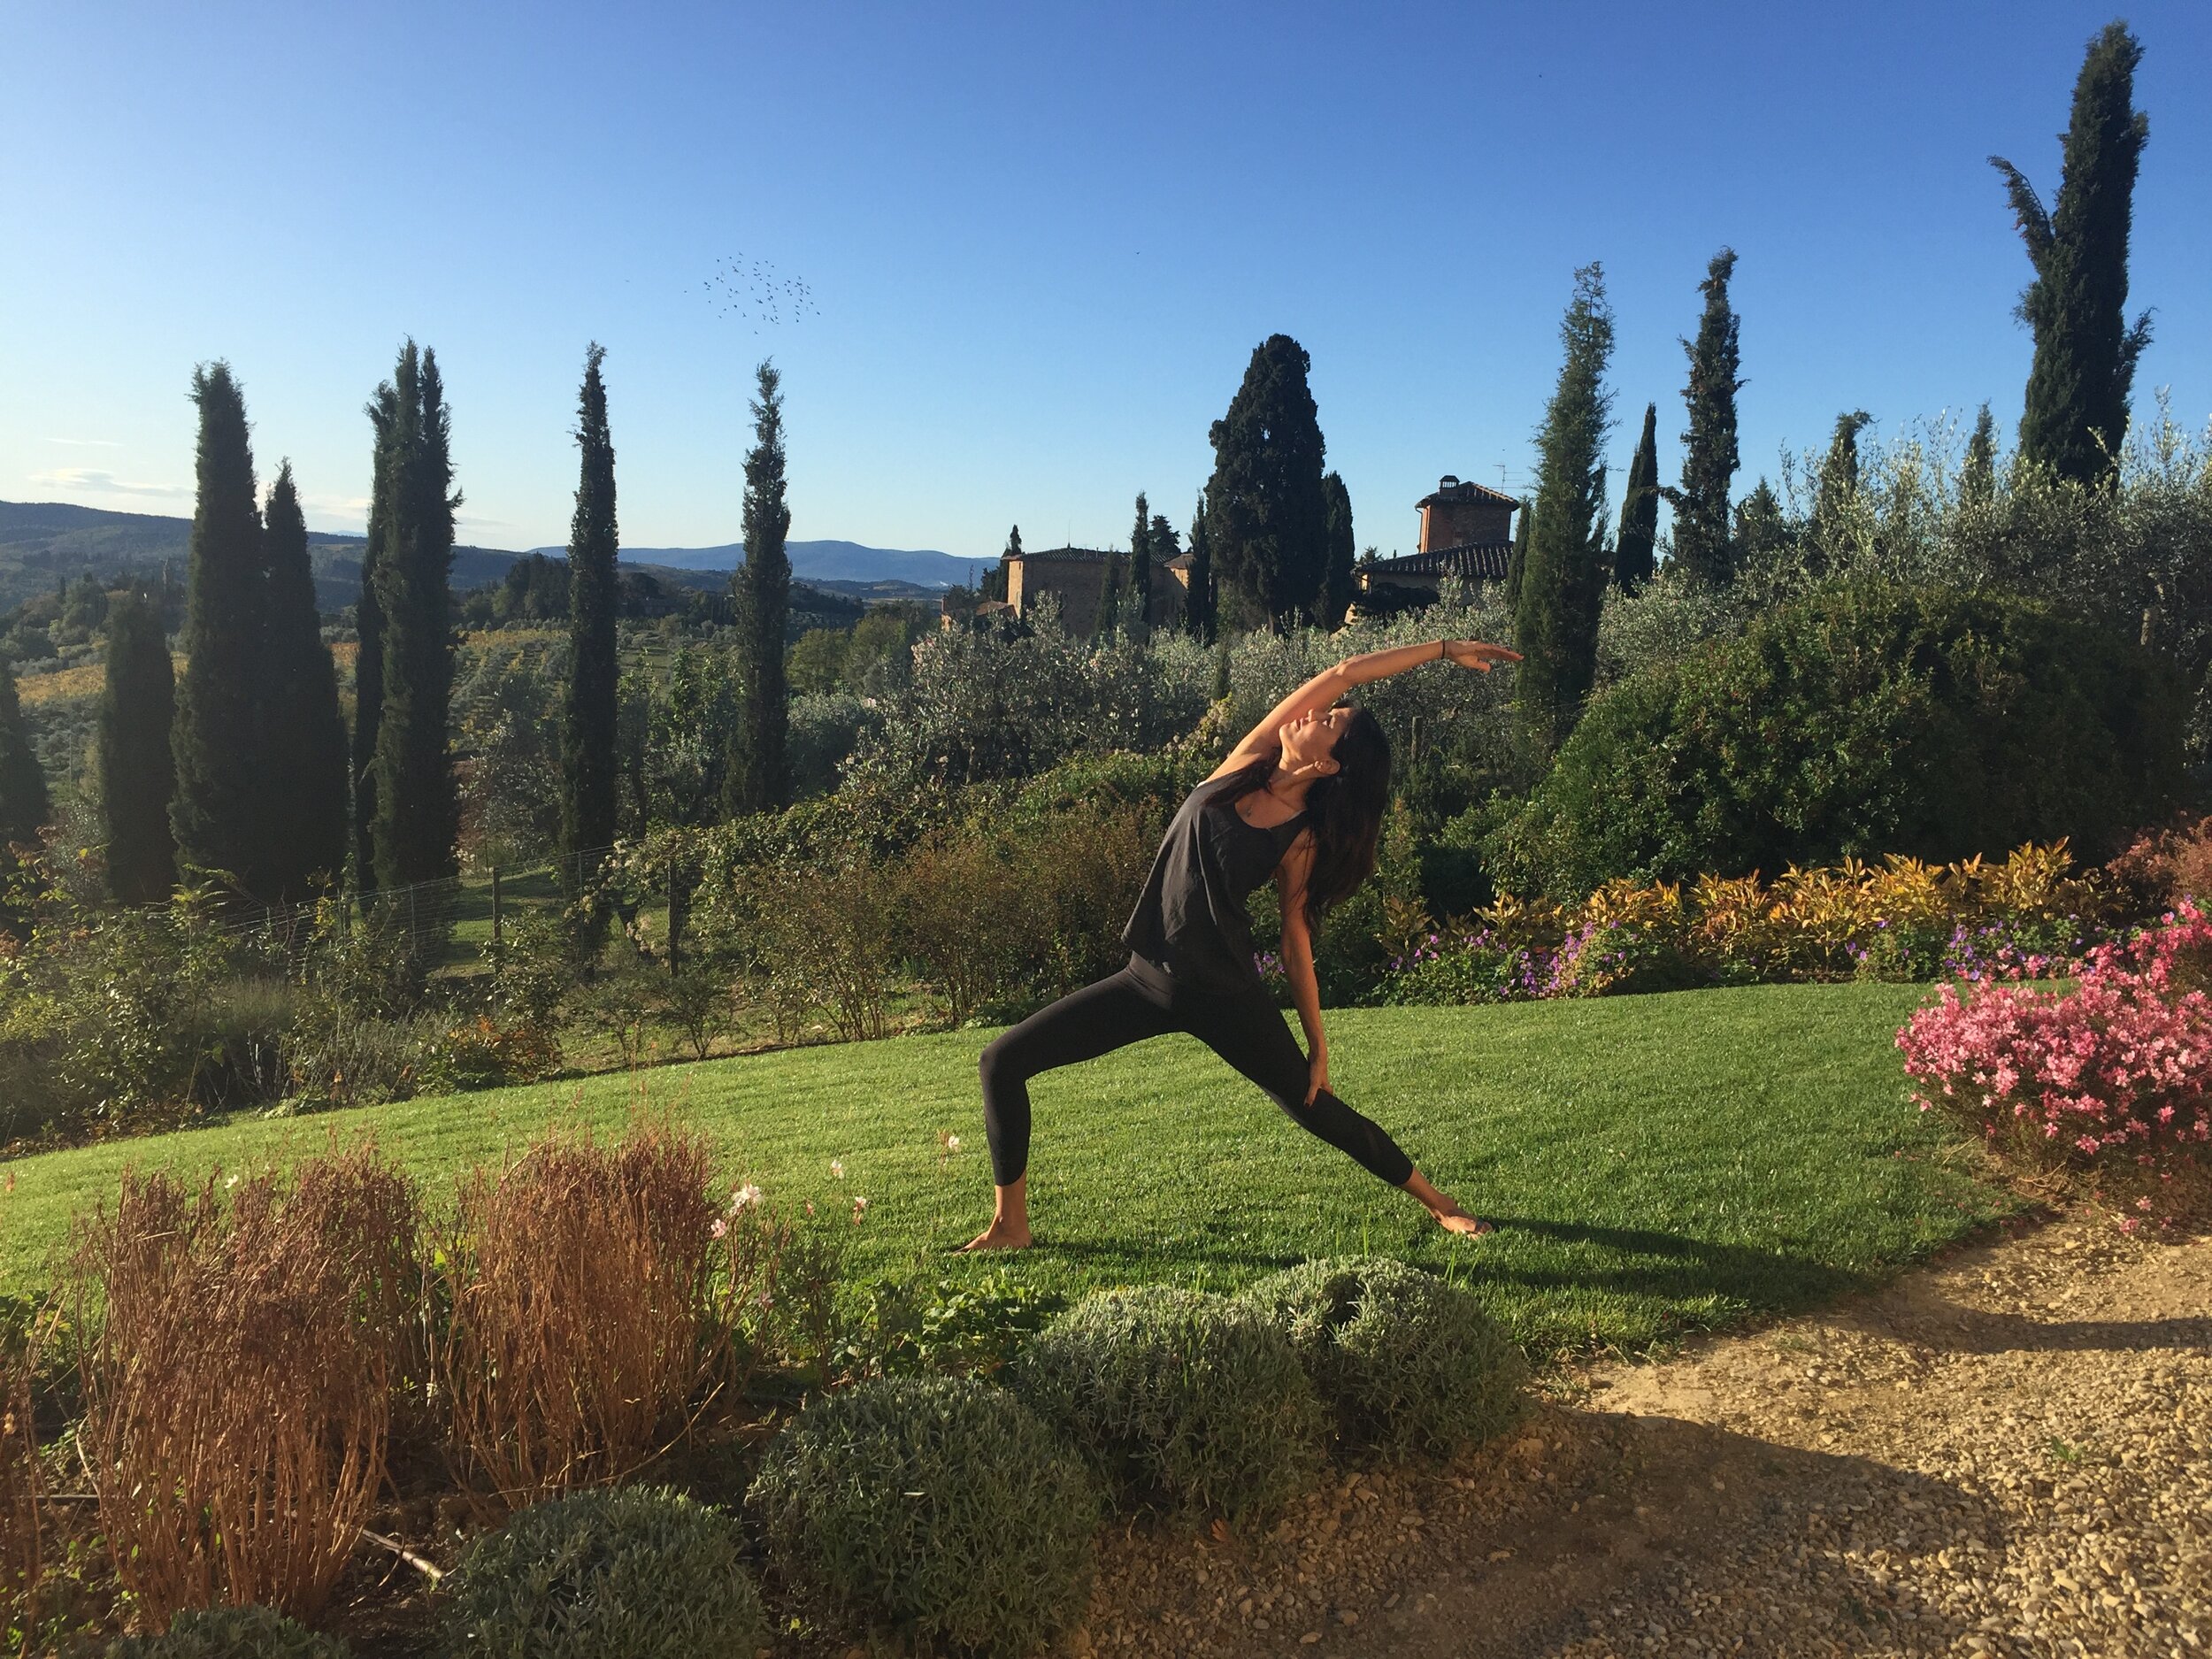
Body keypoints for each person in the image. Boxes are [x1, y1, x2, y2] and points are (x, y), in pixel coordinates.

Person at [963, 635, 1520, 1252]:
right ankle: (1011, 1225)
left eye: (1329, 722)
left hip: (1227, 994)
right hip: (1148, 979)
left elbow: (1294, 939)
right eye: (1325, 710)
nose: (1313, 712)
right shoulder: (1246, 760)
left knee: (1314, 1109)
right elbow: (1344, 671)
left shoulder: (1301, 838)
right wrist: (1442, 649)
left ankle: (1439, 1202)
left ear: (1331, 764)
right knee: (1001, 1061)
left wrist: (1318, 1046)